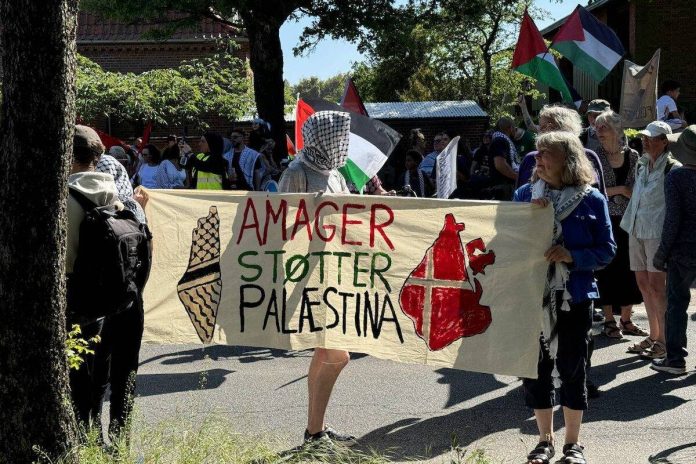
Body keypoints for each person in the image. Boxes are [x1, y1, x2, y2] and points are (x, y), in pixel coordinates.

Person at [515, 131, 615, 464]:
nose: (538, 158)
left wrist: (572, 256)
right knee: (536, 369)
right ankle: (545, 441)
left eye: (547, 153)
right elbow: (506, 244)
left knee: (573, 367)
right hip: (533, 296)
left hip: (576, 295)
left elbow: (607, 250)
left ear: (568, 160)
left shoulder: (592, 199)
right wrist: (531, 222)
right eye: (537, 152)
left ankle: (574, 444)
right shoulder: (524, 195)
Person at [278, 111, 355, 445]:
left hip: (333, 273)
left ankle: (315, 431)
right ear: (324, 138)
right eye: (339, 136)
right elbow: (280, 223)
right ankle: (314, 431)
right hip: (307, 276)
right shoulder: (296, 172)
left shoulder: (335, 174)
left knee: (324, 353)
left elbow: (349, 212)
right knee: (338, 355)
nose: (344, 143)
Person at [66, 125, 123, 428]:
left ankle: (77, 430)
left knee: (72, 370)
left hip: (71, 292)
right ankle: (92, 429)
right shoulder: (115, 194)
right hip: (105, 294)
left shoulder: (62, 198)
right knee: (95, 368)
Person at [620, 121, 682, 359]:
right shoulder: (642, 164)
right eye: (644, 137)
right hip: (636, 228)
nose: (645, 141)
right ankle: (654, 335)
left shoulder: (673, 168)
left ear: (664, 141)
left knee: (657, 287)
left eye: (651, 137)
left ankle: (665, 341)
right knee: (643, 284)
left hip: (657, 232)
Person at [592, 111, 645, 339]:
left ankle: (626, 320)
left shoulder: (633, 155)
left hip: (629, 220)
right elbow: (593, 190)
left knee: (629, 268)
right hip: (604, 220)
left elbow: (637, 189)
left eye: (603, 127)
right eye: (597, 127)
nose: (598, 131)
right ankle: (608, 321)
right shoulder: (594, 157)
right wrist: (622, 190)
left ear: (617, 130)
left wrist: (622, 192)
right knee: (606, 269)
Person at [651, 126, 696, 375]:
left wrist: (662, 252)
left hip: (682, 251)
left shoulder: (676, 177)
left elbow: (672, 221)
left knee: (677, 304)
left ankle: (676, 359)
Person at [516, 105, 606, 197]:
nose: (540, 133)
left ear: (565, 129)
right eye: (541, 128)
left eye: (546, 128)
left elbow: (600, 196)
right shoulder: (531, 159)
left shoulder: (588, 156)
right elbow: (520, 200)